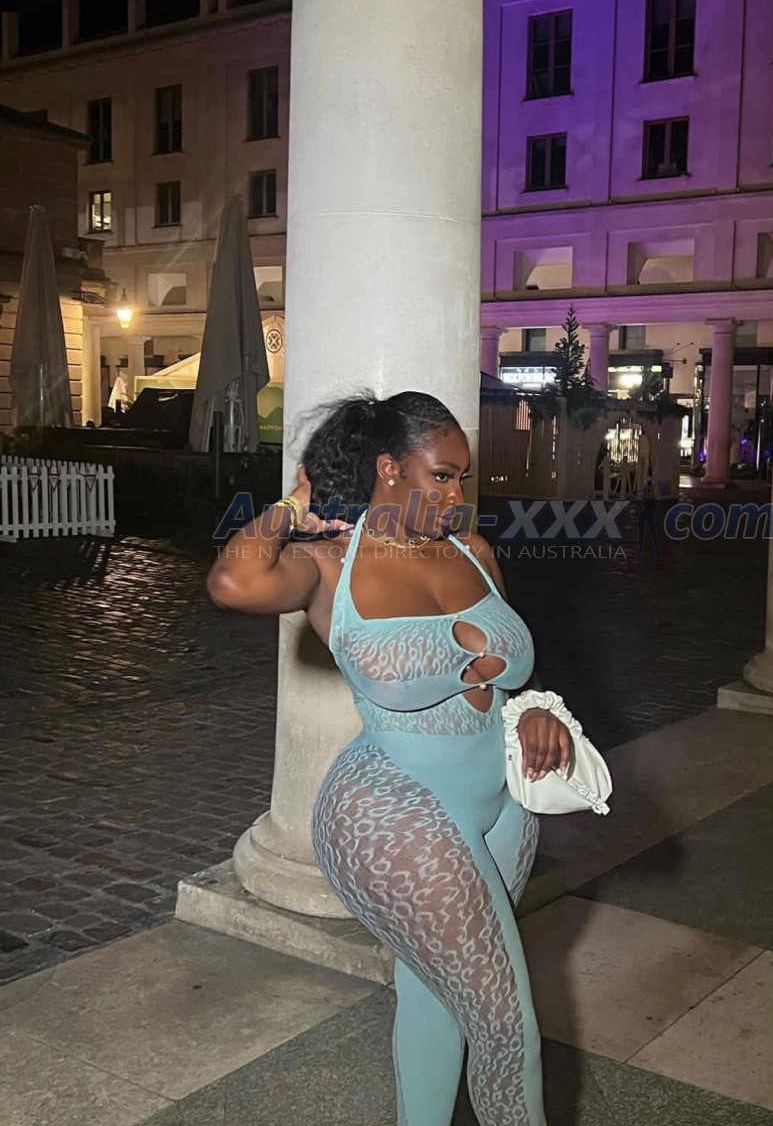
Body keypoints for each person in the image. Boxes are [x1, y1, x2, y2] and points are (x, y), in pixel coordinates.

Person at [207, 390, 569, 1125]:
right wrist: (292, 508)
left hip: (503, 805)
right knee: (507, 1026)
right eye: (442, 476)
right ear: (389, 468)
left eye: (462, 478)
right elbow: (233, 584)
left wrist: (539, 709)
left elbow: (512, 674)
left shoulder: (474, 552)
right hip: (394, 812)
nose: (456, 495)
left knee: (438, 994)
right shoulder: (328, 564)